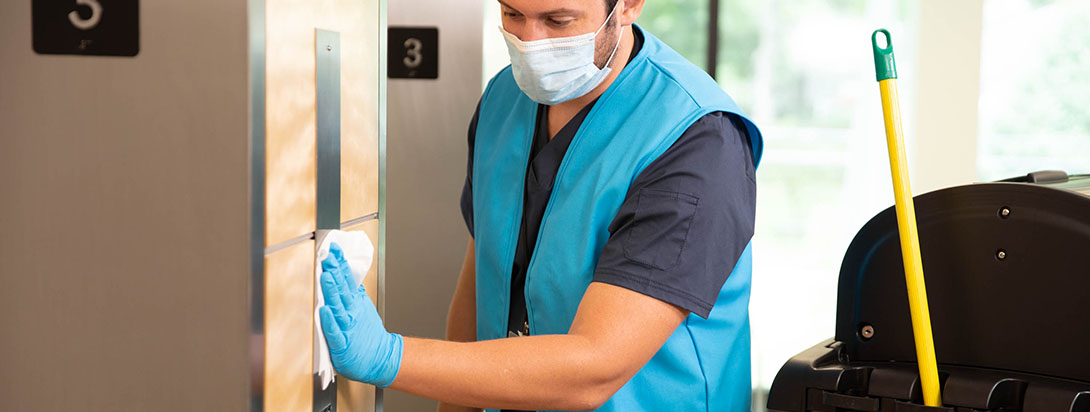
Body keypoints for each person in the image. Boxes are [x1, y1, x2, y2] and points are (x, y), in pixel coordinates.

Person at [317, 0, 764, 410]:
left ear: (628, 5)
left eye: (558, 20)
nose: (529, 41)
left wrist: (390, 358)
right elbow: (481, 286)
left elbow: (596, 364)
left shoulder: (698, 142)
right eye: (512, 14)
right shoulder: (502, 101)